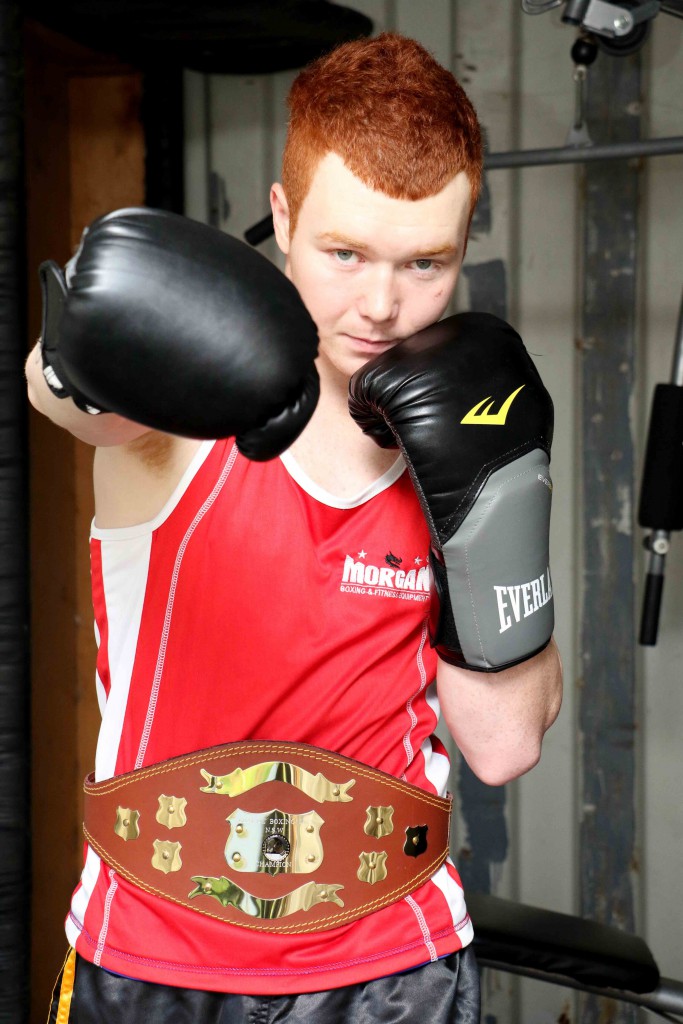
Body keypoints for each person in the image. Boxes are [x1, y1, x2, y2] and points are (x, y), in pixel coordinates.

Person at [26, 31, 562, 1024]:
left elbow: (502, 747)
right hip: (152, 960)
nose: (381, 305)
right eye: (344, 253)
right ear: (282, 216)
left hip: (395, 967)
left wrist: (491, 511)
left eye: (425, 263)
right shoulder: (185, 397)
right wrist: (73, 349)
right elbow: (64, 400)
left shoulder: (472, 423)